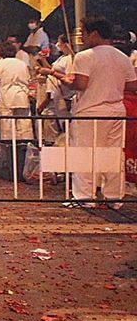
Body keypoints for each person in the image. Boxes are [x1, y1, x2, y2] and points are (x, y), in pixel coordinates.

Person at [40, 17, 137, 207]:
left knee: (85, 155)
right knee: (114, 154)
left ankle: (84, 197)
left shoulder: (85, 56)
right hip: (116, 110)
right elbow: (132, 85)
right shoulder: (122, 57)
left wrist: (62, 77)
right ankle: (114, 197)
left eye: (83, 33)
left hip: (90, 110)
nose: (81, 38)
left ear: (94, 33)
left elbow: (80, 84)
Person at [0, 41, 33, 142]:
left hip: (6, 97)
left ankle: (9, 152)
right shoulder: (22, 64)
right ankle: (26, 150)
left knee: (7, 128)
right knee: (25, 127)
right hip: (22, 96)